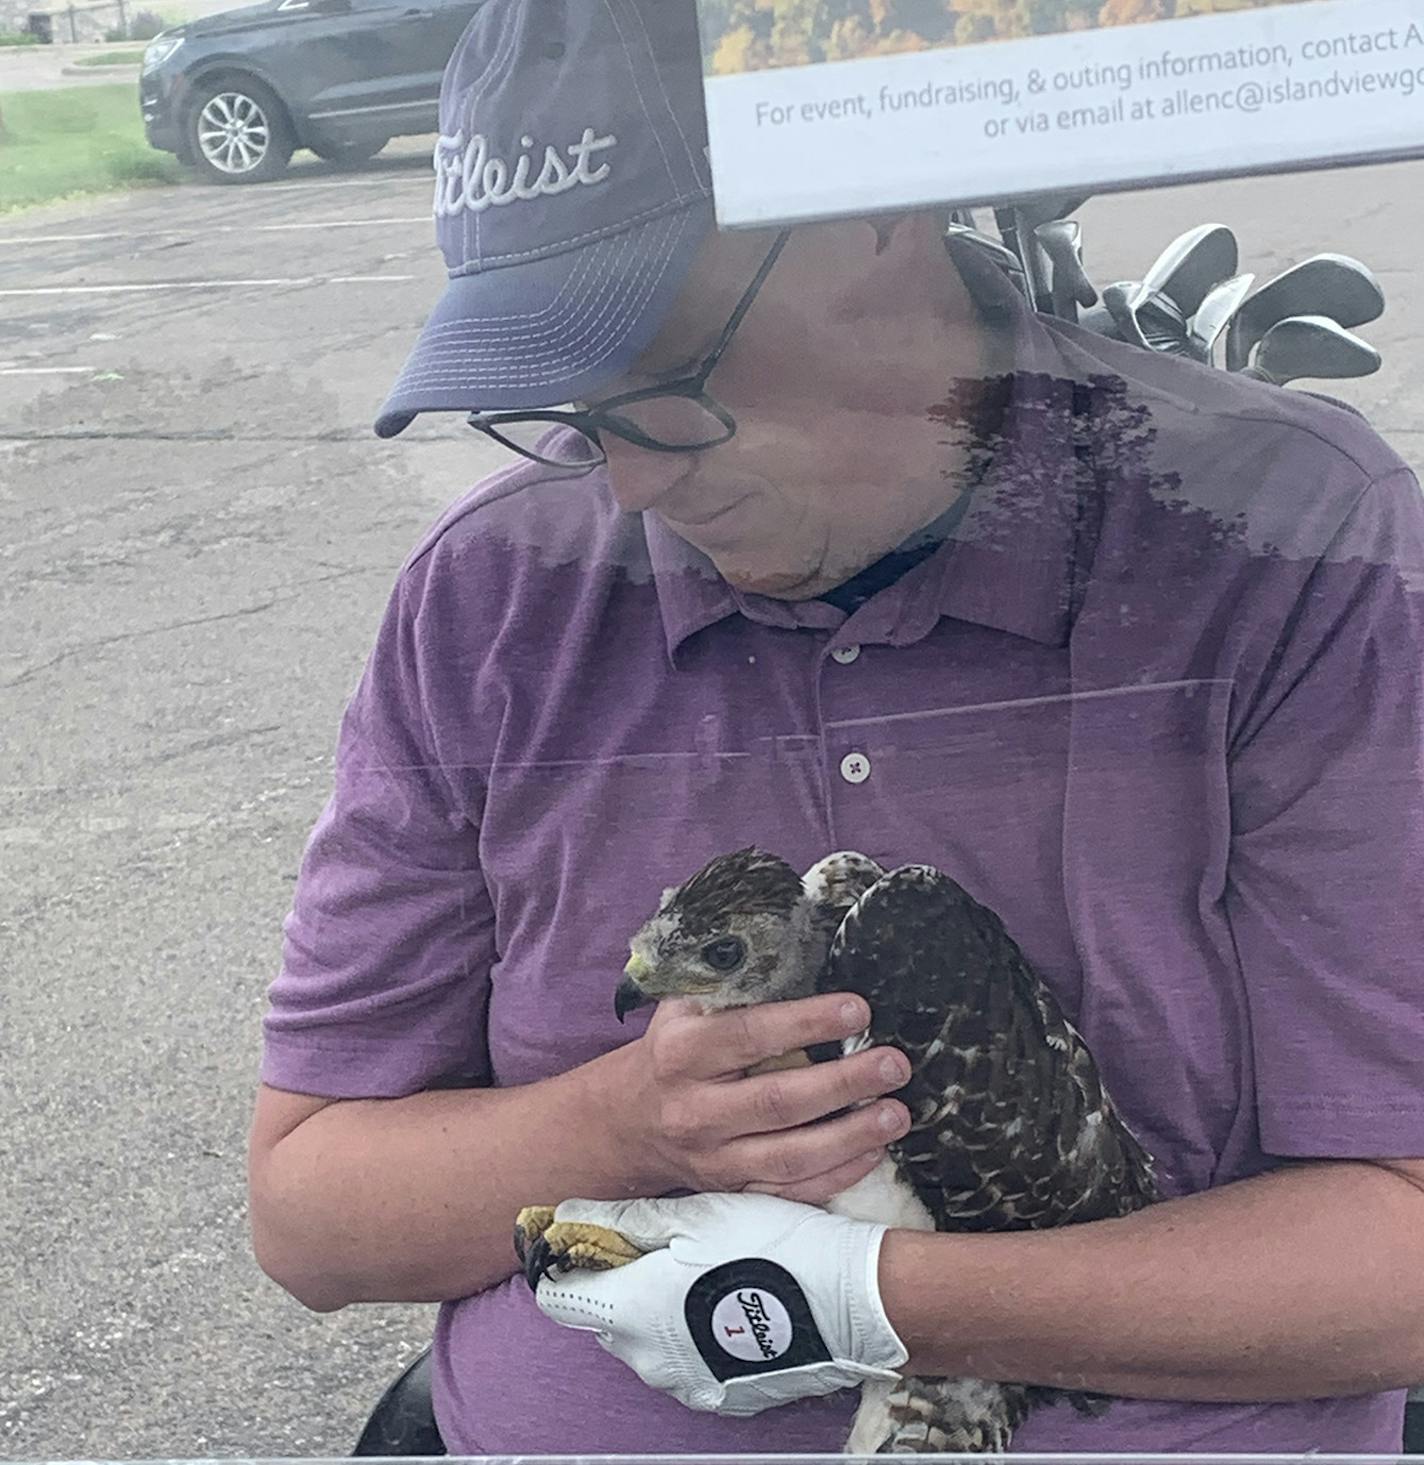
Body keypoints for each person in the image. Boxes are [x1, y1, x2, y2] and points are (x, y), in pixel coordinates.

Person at [247, 0, 1424, 1454]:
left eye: (667, 375)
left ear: (882, 207)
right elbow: (308, 1210)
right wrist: (627, 1122)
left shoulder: (1287, 546)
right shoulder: (493, 598)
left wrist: (879, 1297)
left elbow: (1400, 1259)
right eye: (567, 394)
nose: (619, 484)